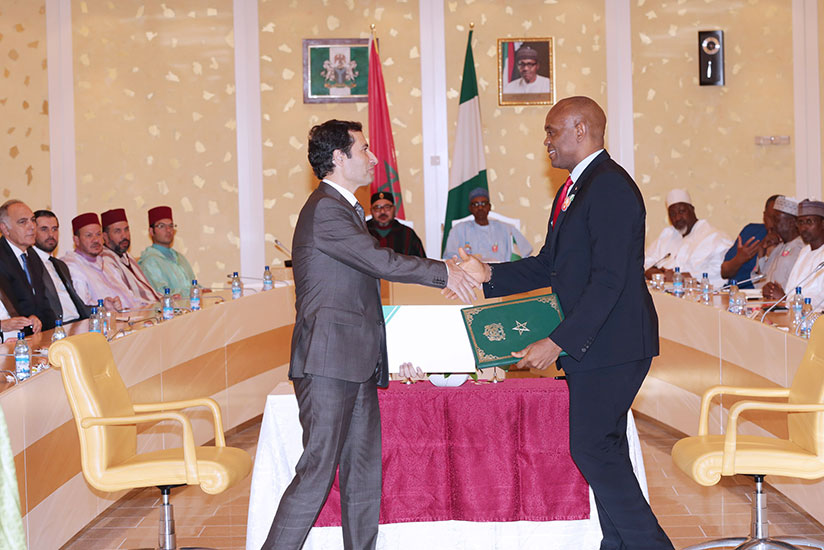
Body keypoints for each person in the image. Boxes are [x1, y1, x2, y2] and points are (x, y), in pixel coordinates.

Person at [457, 96, 673, 550]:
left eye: (552, 131)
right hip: (598, 344)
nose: (547, 141)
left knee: (593, 449)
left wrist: (558, 341)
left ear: (581, 129)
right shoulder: (575, 187)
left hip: (613, 343)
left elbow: (610, 281)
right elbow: (549, 265)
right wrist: (489, 274)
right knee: (603, 450)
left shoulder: (609, 187)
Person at [261, 119, 477, 550]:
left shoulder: (345, 209)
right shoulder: (326, 208)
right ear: (339, 158)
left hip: (356, 361)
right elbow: (383, 262)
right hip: (327, 363)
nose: (373, 158)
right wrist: (445, 272)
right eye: (363, 149)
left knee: (363, 475)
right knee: (317, 472)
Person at [644, 189, 731, 288]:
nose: (677, 218)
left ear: (692, 209)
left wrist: (682, 277)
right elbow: (645, 262)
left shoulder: (714, 237)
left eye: (681, 211)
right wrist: (659, 275)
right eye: (672, 214)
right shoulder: (668, 235)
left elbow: (720, 271)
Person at [61, 212, 145, 310]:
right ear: (76, 240)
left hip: (132, 317)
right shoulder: (72, 266)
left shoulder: (106, 263)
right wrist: (104, 307)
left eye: (98, 234)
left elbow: (131, 297)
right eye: (89, 235)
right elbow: (84, 307)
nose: (96, 240)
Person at [0, 199, 55, 329]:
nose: (32, 226)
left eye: (32, 220)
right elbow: (11, 307)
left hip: (40, 331)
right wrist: (30, 321)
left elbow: (42, 302)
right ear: (5, 229)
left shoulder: (33, 255)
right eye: (23, 222)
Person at [442, 187, 533, 262]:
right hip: (470, 276)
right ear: (470, 208)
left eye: (483, 203)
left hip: (500, 274)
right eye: (476, 204)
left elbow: (523, 254)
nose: (480, 207)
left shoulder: (507, 229)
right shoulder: (459, 230)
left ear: (489, 207)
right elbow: (450, 257)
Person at [32, 210, 90, 323]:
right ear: (32, 231)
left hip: (78, 322)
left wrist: (102, 307)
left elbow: (78, 306)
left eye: (54, 229)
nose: (51, 235)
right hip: (56, 327)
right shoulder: (29, 264)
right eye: (44, 229)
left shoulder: (60, 265)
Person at [763, 199, 824, 305]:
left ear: (823, 224)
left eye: (809, 222)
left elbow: (819, 302)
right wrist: (773, 291)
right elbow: (792, 290)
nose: (804, 228)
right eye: (800, 222)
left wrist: (785, 299)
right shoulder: (805, 252)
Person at [101, 208, 161, 303]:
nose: (124, 236)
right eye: (117, 231)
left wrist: (165, 298)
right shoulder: (105, 261)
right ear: (105, 236)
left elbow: (146, 292)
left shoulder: (126, 255)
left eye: (126, 229)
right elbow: (127, 300)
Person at [720, 195, 779, 288]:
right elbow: (724, 272)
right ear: (764, 216)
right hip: (734, 294)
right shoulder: (751, 232)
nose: (775, 223)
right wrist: (739, 259)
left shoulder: (794, 243)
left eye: (779, 218)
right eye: (771, 217)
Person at [138, 206, 196, 296]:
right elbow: (162, 294)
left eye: (171, 226)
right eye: (162, 226)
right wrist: (192, 293)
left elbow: (193, 285)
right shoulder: (150, 261)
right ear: (151, 231)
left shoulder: (179, 257)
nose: (168, 230)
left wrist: (202, 291)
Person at [758, 196, 803, 293]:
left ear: (792, 223)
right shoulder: (779, 247)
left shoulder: (801, 249)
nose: (773, 224)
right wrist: (761, 252)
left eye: (777, 220)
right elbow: (760, 282)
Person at [365, 191, 426, 257]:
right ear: (371, 211)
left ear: (394, 209)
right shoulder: (362, 231)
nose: (382, 211)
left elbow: (421, 262)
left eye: (387, 207)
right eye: (377, 208)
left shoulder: (407, 233)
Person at [0, 273, 41, 342]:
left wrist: (28, 321)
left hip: (20, 342)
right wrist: (2, 326)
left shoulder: (3, 281)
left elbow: (15, 312)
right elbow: (4, 324)